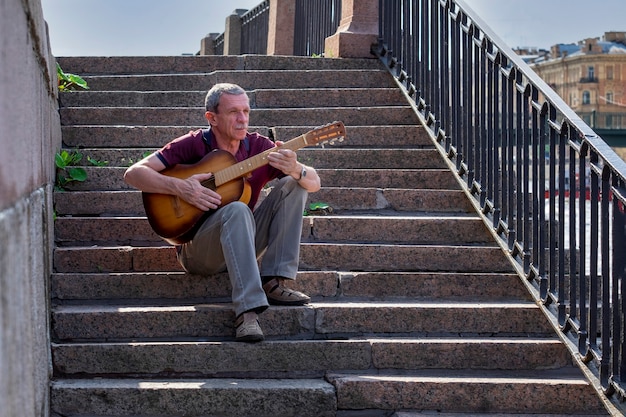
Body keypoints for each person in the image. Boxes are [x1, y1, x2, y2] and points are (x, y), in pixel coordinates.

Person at [124, 83, 321, 342]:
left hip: (244, 240)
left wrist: (297, 169)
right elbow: (133, 173)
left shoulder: (259, 147)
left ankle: (273, 281)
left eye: (246, 111)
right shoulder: (193, 144)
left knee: (293, 185)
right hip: (198, 250)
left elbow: (314, 184)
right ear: (212, 117)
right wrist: (180, 187)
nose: (242, 120)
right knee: (237, 209)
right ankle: (247, 312)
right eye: (233, 112)